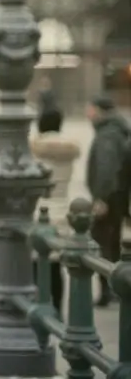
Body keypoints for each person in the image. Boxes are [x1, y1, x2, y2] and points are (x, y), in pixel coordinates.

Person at [85, 94, 130, 307]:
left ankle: (109, 290)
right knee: (111, 243)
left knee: (103, 243)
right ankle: (112, 289)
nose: (88, 113)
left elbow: (106, 168)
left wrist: (100, 198)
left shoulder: (107, 135)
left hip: (110, 198)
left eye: (91, 109)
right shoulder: (114, 131)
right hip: (118, 197)